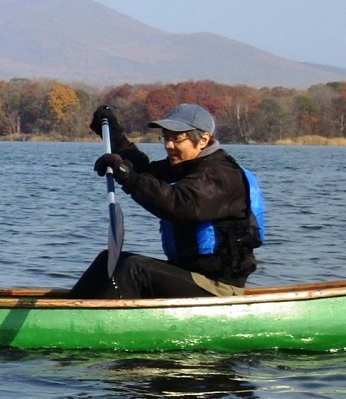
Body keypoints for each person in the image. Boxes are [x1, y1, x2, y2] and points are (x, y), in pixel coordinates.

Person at [69, 102, 264, 299]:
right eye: (166, 138)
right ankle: (70, 311)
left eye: (177, 139)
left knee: (134, 269)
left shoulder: (221, 175)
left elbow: (178, 205)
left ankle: (90, 324)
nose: (169, 145)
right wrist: (113, 133)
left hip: (217, 286)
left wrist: (126, 177)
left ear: (203, 140)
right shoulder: (188, 165)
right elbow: (144, 171)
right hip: (188, 275)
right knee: (108, 261)